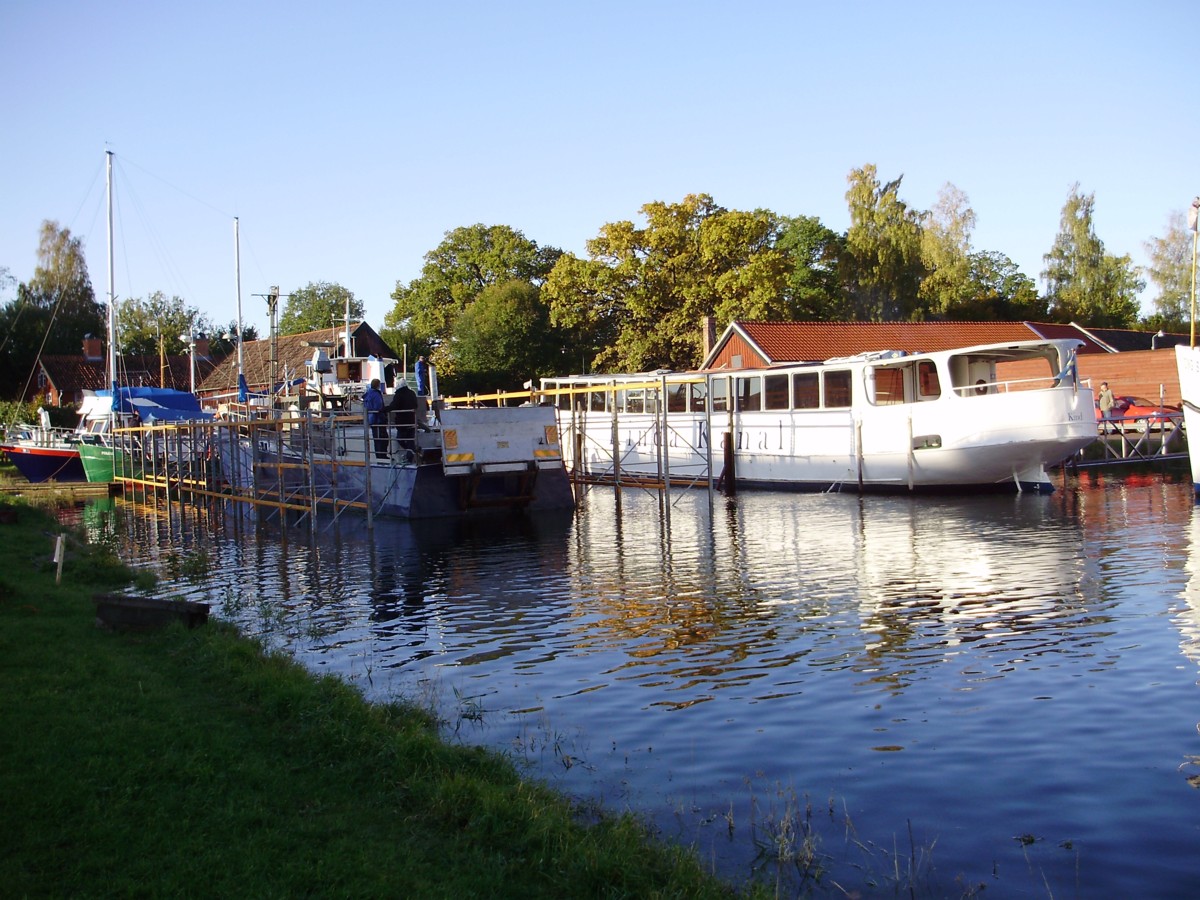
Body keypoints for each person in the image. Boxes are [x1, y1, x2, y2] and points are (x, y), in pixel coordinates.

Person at [386, 380, 418, 456]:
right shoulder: (412, 393)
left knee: (400, 438)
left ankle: (413, 452)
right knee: (410, 440)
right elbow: (416, 405)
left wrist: (384, 409)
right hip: (412, 420)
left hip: (402, 421)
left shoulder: (399, 394)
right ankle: (412, 453)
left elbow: (394, 406)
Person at [364, 377, 387, 459]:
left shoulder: (368, 394)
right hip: (378, 419)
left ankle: (379, 455)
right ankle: (382, 455)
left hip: (371, 419)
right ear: (378, 385)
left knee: (376, 439)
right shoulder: (376, 394)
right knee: (383, 438)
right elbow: (379, 406)